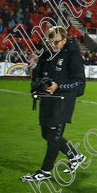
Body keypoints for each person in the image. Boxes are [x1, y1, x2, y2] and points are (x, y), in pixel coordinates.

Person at [21, 26, 87, 181]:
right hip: (47, 98)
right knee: (47, 134)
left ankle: (45, 171)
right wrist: (35, 89)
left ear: (64, 40)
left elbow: (79, 82)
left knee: (54, 137)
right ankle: (75, 156)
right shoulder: (46, 53)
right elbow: (37, 73)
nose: (52, 45)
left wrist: (59, 86)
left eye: (56, 42)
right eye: (50, 42)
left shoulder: (73, 56)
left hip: (63, 101)